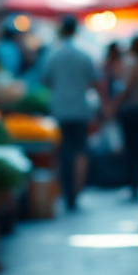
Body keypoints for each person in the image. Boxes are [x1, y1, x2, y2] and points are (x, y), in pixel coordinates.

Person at [43, 16, 104, 211]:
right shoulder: (84, 55)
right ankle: (76, 191)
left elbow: (46, 80)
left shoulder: (53, 55)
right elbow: (94, 82)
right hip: (80, 109)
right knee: (80, 150)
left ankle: (66, 191)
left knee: (63, 151)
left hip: (60, 109)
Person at [115, 36, 138, 201]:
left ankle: (133, 184)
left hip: (130, 112)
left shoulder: (133, 67)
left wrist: (114, 105)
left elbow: (125, 89)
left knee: (131, 149)